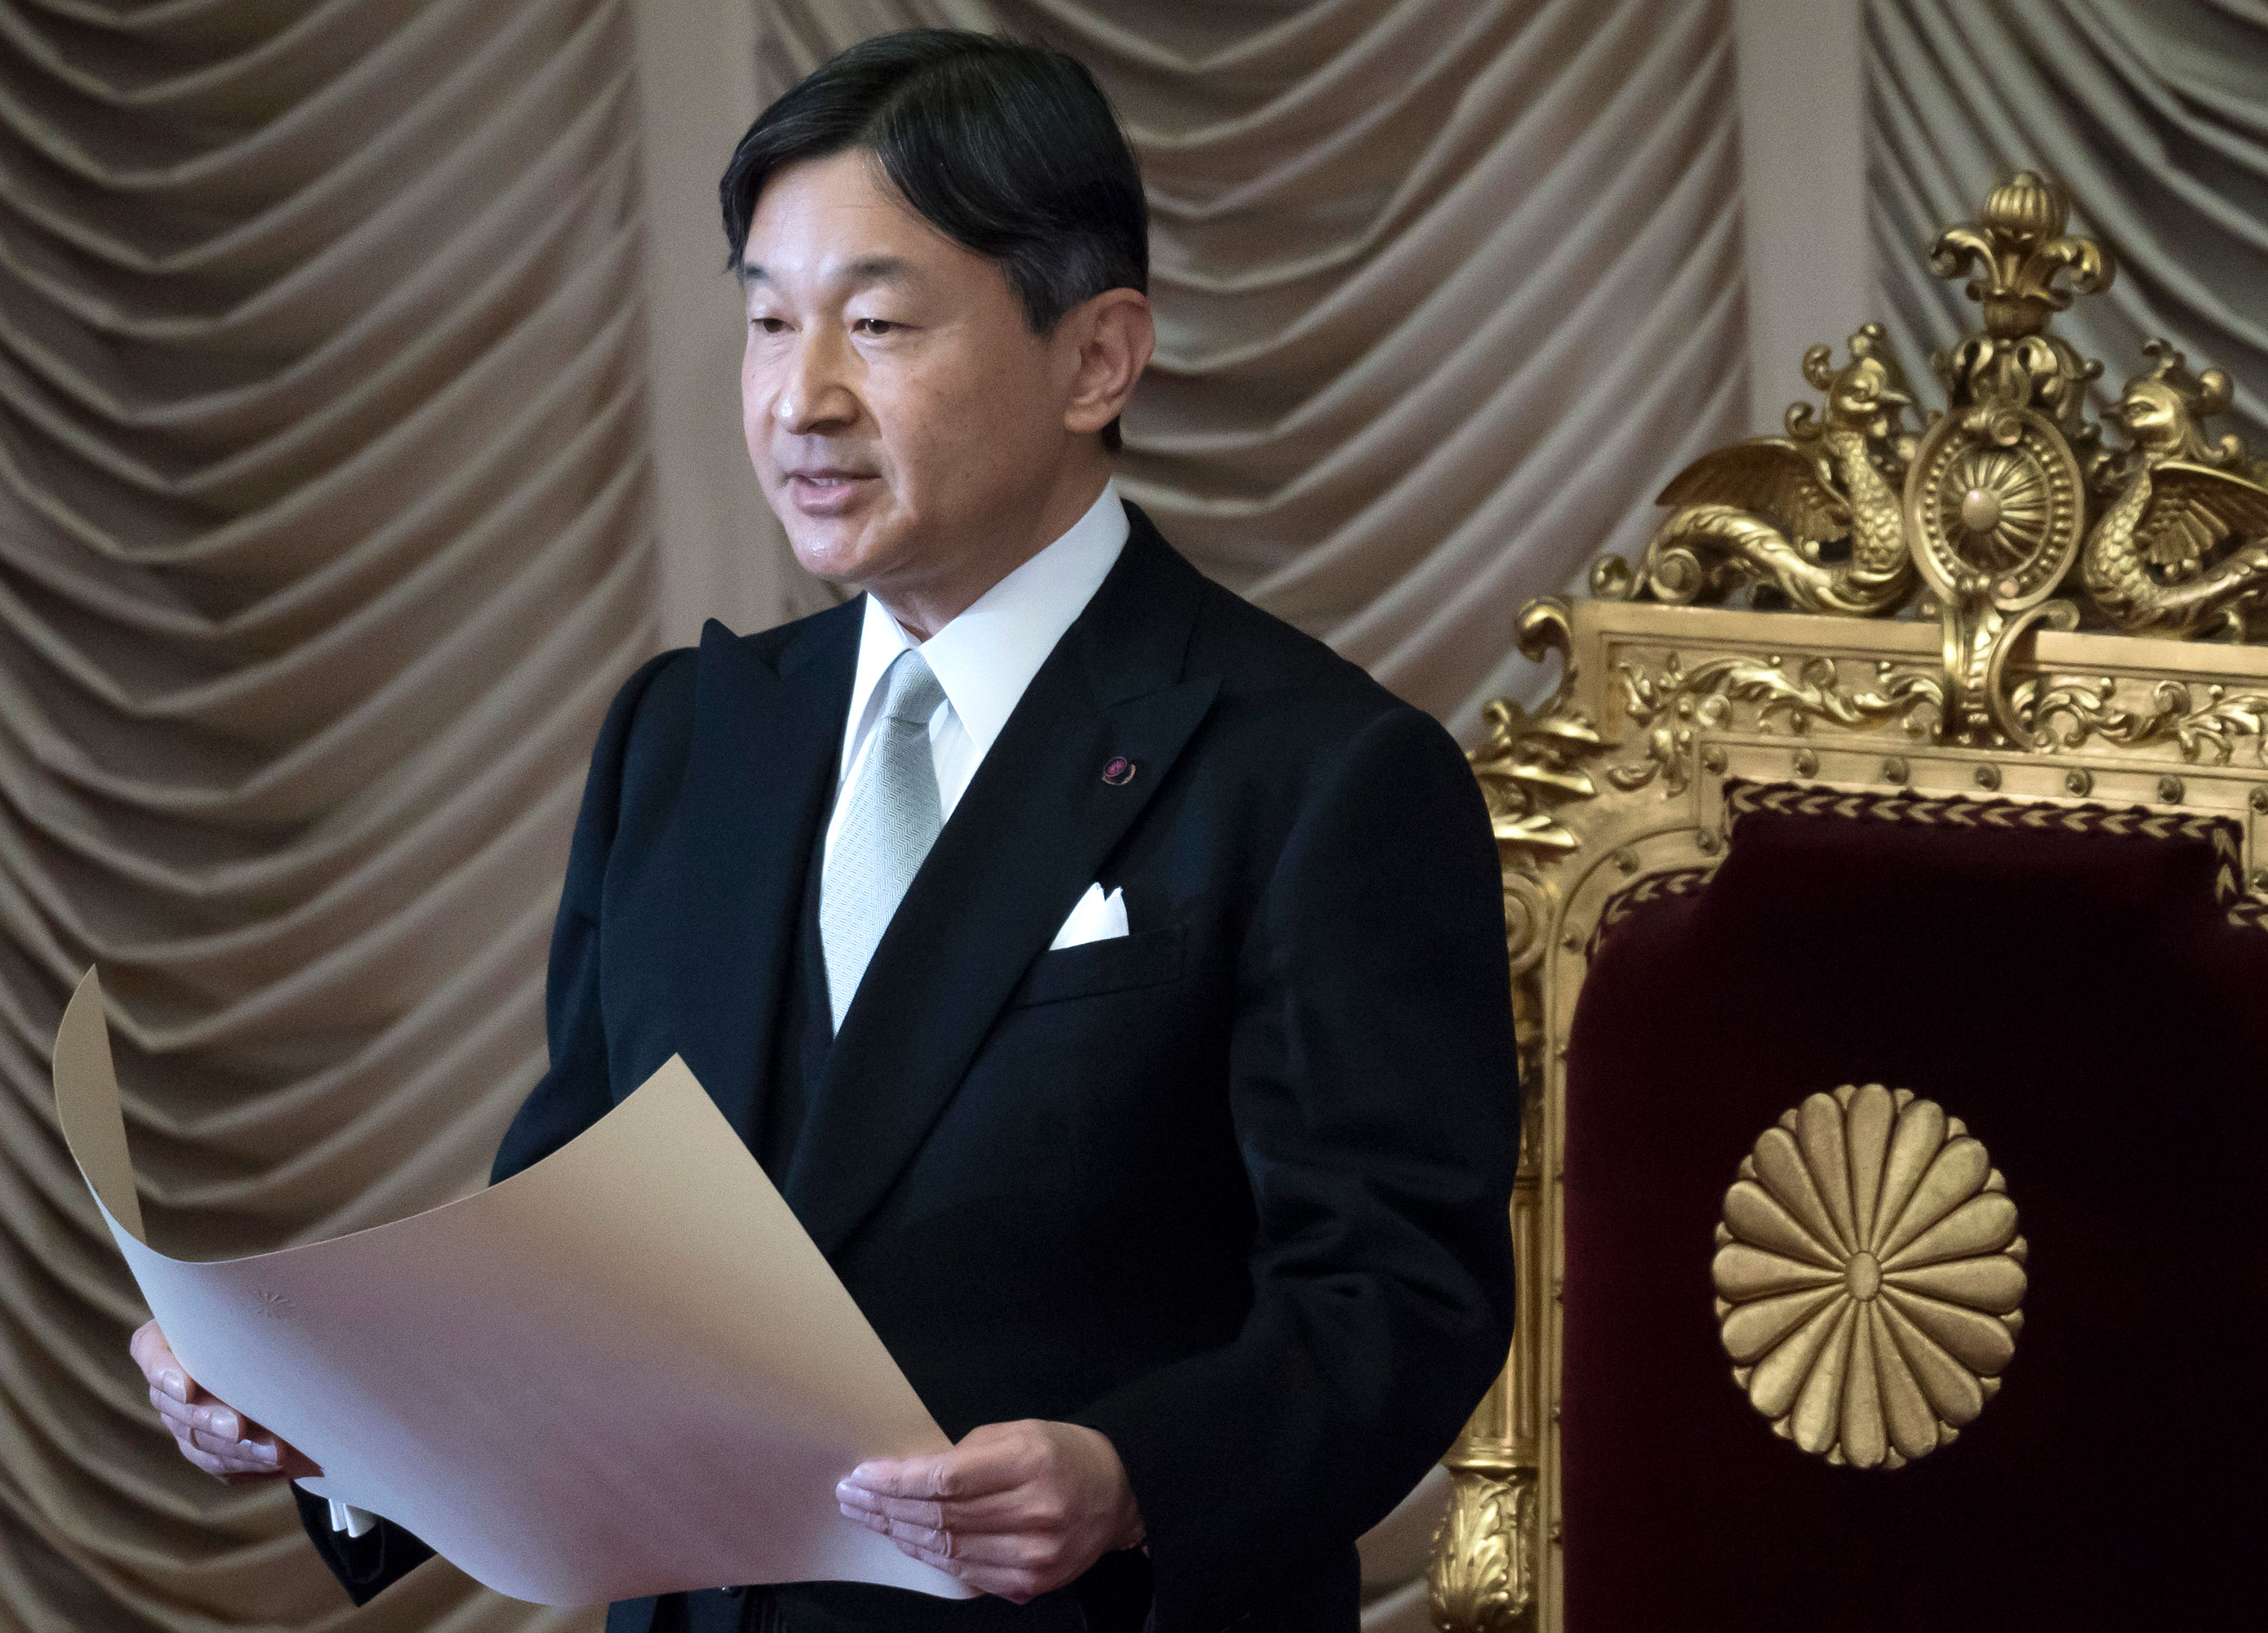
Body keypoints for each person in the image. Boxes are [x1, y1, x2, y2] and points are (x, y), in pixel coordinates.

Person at [131, 29, 1517, 1633]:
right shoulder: (686, 739)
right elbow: (570, 1253)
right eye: (769, 323)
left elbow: (1397, 1298)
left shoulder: (1323, 770)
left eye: (876, 324)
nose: (804, 397)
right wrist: (338, 1423)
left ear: (1098, 358)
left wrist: (1130, 1470)